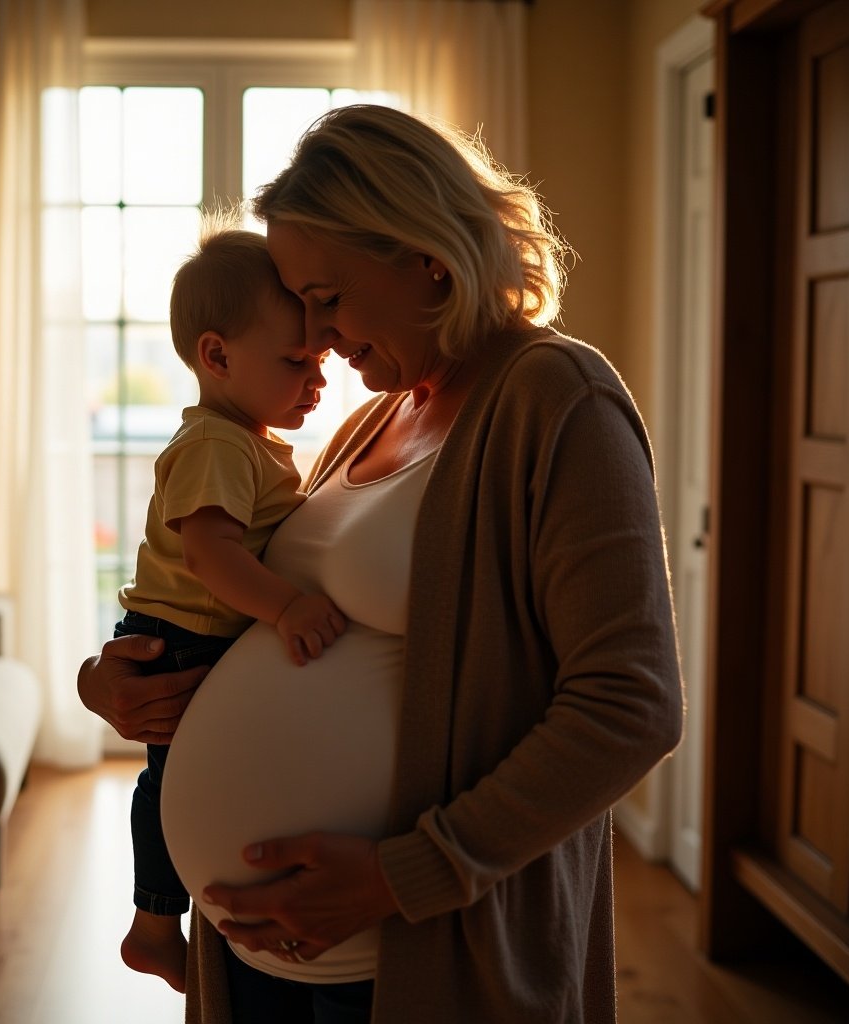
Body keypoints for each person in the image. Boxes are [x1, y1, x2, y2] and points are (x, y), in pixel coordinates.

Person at [79, 104, 683, 1023]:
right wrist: (117, 683)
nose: (316, 335)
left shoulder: (558, 401)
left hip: (420, 947)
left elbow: (631, 704)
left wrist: (403, 876)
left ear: (424, 257)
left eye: (327, 297)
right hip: (255, 952)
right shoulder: (369, 419)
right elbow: (269, 618)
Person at [115, 222, 346, 993]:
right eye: (297, 362)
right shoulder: (216, 444)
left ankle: (160, 917)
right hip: (177, 640)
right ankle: (152, 923)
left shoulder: (246, 438)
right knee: (172, 781)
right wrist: (286, 610)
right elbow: (213, 558)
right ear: (216, 356)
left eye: (319, 359)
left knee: (182, 778)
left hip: (196, 635)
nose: (317, 380)